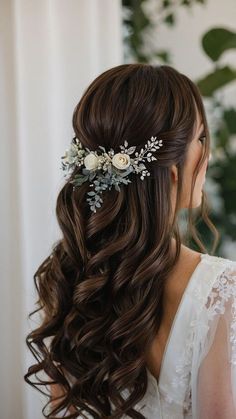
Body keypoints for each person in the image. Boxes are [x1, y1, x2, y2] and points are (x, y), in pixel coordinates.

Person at [24, 63, 236, 418]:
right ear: (171, 170)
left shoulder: (68, 274)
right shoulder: (220, 291)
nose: (208, 153)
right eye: (201, 138)